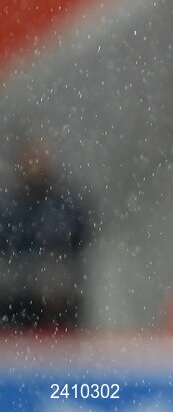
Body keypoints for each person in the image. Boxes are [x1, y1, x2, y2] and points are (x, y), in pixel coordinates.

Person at [0, 136, 90, 330]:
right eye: (30, 158)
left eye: (39, 158)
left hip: (57, 305)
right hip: (13, 305)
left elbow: (78, 240)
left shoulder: (65, 206)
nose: (34, 164)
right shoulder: (8, 206)